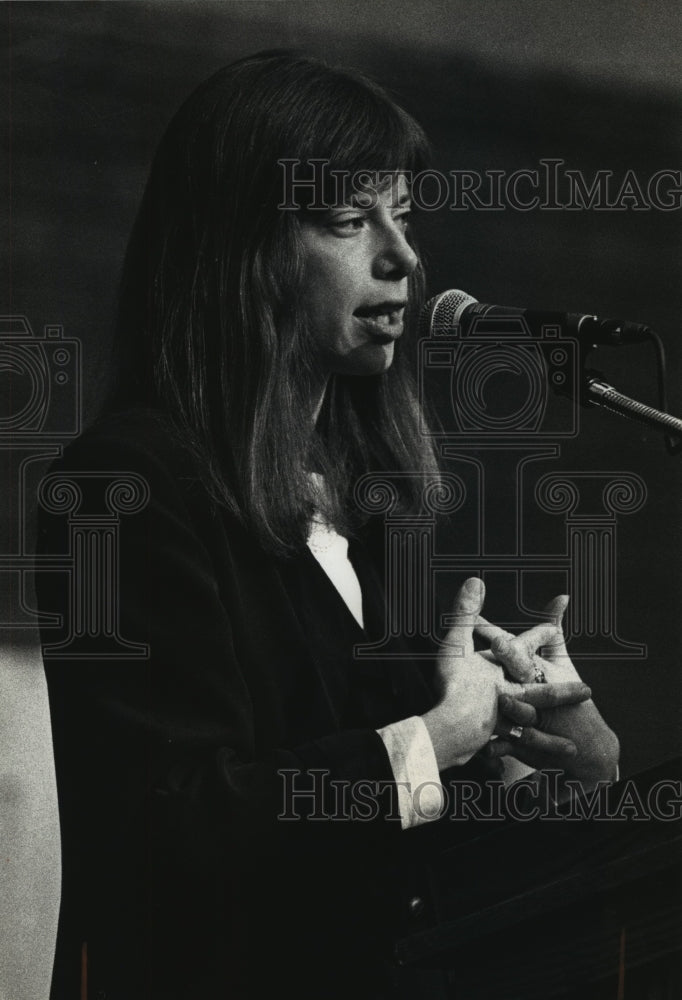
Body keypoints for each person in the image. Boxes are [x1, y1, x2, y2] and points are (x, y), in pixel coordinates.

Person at [35, 51, 619, 999]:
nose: (403, 257)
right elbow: (168, 825)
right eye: (351, 220)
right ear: (240, 248)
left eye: (404, 215)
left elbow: (407, 865)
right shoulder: (122, 487)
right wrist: (436, 737)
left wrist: (563, 764)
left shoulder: (365, 507)